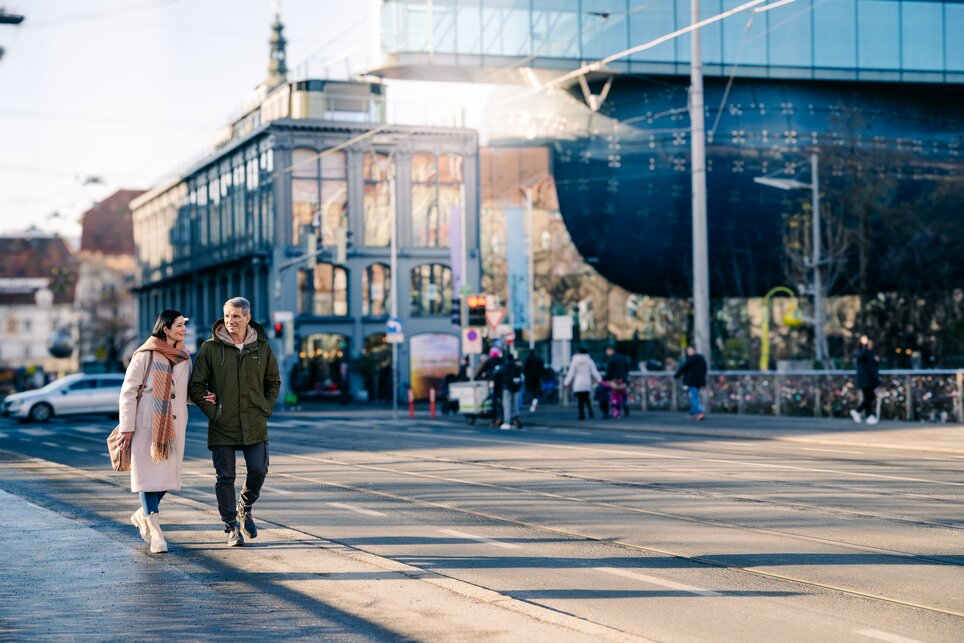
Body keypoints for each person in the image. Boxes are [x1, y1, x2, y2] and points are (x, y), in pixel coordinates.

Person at [189, 297, 280, 547]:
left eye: (236, 316)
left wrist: (265, 408)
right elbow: (196, 386)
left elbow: (273, 382)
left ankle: (245, 507)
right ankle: (231, 526)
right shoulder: (210, 348)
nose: (230, 321)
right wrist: (213, 411)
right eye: (227, 316)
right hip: (223, 423)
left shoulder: (261, 347)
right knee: (225, 476)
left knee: (259, 470)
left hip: (255, 421)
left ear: (247, 318)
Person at [117, 310, 194, 554]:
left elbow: (184, 390)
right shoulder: (144, 355)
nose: (183, 329)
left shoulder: (184, 356)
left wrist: (205, 396)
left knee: (165, 478)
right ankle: (156, 533)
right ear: (166, 329)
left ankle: (142, 514)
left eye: (184, 325)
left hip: (173, 425)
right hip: (147, 425)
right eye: (179, 325)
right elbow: (128, 392)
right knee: (147, 480)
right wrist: (127, 428)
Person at [563, 347, 602, 420]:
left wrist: (566, 382)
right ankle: (590, 411)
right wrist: (600, 380)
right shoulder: (589, 361)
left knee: (580, 399)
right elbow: (594, 371)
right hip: (587, 381)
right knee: (586, 398)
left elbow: (571, 373)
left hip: (578, 382)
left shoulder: (575, 361)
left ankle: (581, 415)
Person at [850, 335, 881, 425]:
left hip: (870, 380)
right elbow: (861, 356)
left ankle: (865, 414)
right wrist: (864, 345)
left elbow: (875, 368)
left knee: (869, 397)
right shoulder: (862, 352)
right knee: (869, 397)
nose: (870, 345)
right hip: (865, 380)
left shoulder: (871, 354)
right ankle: (864, 414)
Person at [674, 346, 707, 420]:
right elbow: (705, 370)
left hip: (692, 381)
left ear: (694, 351)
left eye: (689, 350)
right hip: (699, 381)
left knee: (694, 397)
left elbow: (683, 368)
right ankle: (692, 412)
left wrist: (676, 376)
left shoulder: (690, 359)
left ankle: (700, 412)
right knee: (694, 396)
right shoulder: (701, 359)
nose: (688, 352)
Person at [498, 351, 523, 429]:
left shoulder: (504, 366)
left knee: (507, 405)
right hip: (516, 388)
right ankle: (515, 418)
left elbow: (496, 374)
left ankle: (507, 421)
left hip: (507, 388)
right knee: (515, 404)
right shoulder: (517, 367)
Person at [604, 346, 631, 417]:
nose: (606, 352)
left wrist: (607, 379)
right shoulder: (623, 358)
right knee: (622, 395)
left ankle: (616, 411)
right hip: (623, 380)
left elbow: (609, 371)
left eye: (607, 350)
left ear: (611, 350)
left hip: (614, 380)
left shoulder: (611, 359)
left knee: (614, 395)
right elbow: (627, 368)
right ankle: (625, 406)